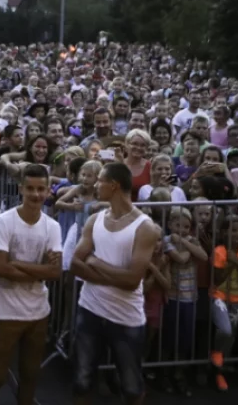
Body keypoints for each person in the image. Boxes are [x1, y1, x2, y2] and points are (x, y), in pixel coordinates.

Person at [70, 162, 159, 405]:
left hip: (125, 317)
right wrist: (113, 275)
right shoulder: (95, 219)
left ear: (114, 185)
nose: (96, 185)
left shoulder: (145, 227)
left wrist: (96, 263)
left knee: (131, 387)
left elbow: (132, 281)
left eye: (100, 180)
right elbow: (75, 264)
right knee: (81, 381)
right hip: (90, 309)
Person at [0, 163, 62, 405]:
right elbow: (0, 268)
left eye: (41, 189)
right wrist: (42, 270)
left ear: (48, 191)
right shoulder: (5, 221)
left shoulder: (53, 226)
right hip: (6, 311)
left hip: (38, 311)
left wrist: (17, 265)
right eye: (30, 189)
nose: (36, 194)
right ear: (21, 189)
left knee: (31, 374)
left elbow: (55, 272)